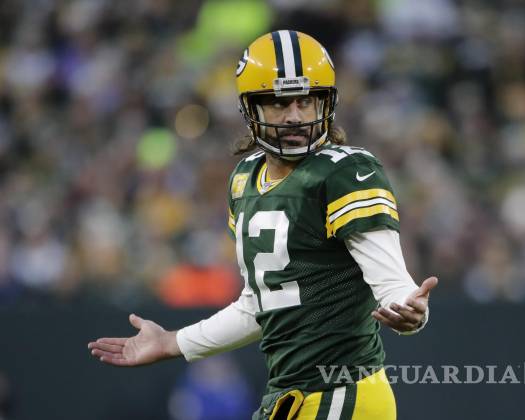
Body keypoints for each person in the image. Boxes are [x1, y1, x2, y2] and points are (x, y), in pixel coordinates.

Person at [88, 30, 438, 419]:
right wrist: (173, 342)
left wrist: (409, 309)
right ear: (250, 109)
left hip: (341, 391)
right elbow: (259, 305)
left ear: (325, 102)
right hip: (291, 395)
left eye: (306, 101)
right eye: (278, 103)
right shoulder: (245, 179)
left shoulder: (345, 171)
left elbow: (391, 282)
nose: (295, 115)